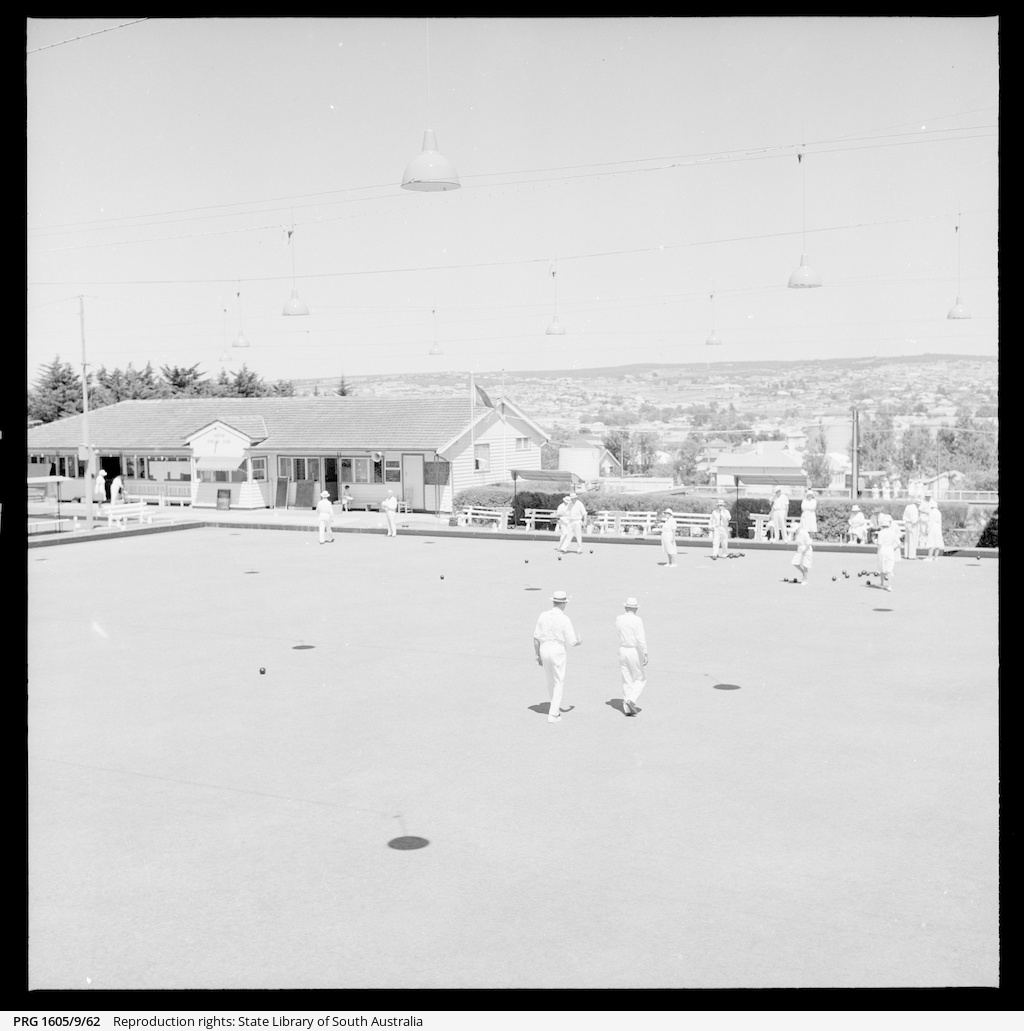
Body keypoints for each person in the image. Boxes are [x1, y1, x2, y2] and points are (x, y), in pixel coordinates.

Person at [533, 590, 582, 723]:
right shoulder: (565, 619)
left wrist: (537, 655)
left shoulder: (543, 615)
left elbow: (536, 637)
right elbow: (572, 641)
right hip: (557, 650)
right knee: (558, 681)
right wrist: (579, 641)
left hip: (544, 648)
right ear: (564, 603)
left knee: (550, 681)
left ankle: (554, 708)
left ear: (553, 602)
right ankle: (553, 714)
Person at [616, 598, 648, 717]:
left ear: (626, 607)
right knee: (641, 677)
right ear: (636, 609)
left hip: (622, 649)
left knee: (626, 678)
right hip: (633, 650)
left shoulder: (619, 619)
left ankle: (627, 708)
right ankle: (631, 700)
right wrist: (645, 652)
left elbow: (618, 632)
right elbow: (640, 638)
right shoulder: (637, 620)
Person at [875, 512, 899, 591]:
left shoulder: (881, 533)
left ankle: (882, 583)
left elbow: (879, 544)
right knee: (889, 568)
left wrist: (875, 542)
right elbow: (899, 543)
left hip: (882, 550)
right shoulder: (893, 532)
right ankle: (889, 585)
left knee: (882, 566)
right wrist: (894, 548)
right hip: (890, 549)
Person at [790, 514, 813, 584]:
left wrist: (805, 550)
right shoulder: (796, 533)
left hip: (807, 550)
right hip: (799, 549)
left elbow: (809, 543)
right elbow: (790, 539)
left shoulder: (804, 533)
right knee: (794, 562)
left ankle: (805, 579)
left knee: (805, 565)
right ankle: (803, 573)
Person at [901, 495, 920, 559]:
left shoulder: (908, 507)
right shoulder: (915, 509)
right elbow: (914, 520)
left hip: (907, 523)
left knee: (907, 540)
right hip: (912, 525)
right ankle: (911, 555)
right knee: (912, 540)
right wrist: (919, 519)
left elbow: (904, 516)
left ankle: (906, 554)